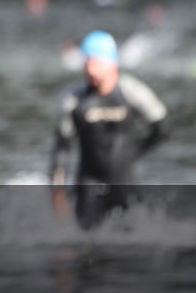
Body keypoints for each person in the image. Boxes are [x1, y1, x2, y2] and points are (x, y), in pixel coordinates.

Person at [49, 30, 168, 230]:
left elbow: (163, 129)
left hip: (124, 181)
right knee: (85, 245)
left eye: (97, 63)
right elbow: (62, 149)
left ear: (113, 63)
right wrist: (57, 192)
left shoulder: (132, 91)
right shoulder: (73, 99)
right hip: (88, 183)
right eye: (87, 64)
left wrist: (134, 151)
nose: (91, 70)